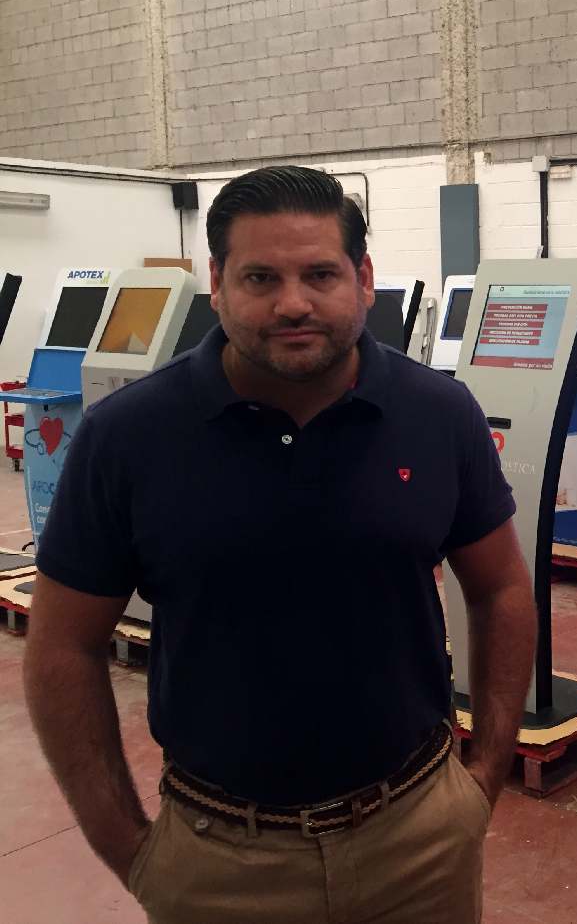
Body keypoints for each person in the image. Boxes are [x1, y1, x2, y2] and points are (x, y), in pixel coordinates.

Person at [23, 165, 536, 924]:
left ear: (363, 279)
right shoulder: (129, 436)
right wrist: (129, 847)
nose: (293, 303)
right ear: (217, 284)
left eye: (320, 274)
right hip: (220, 861)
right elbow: (63, 645)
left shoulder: (438, 414)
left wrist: (484, 776)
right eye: (260, 277)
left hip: (420, 843)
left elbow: (501, 589)